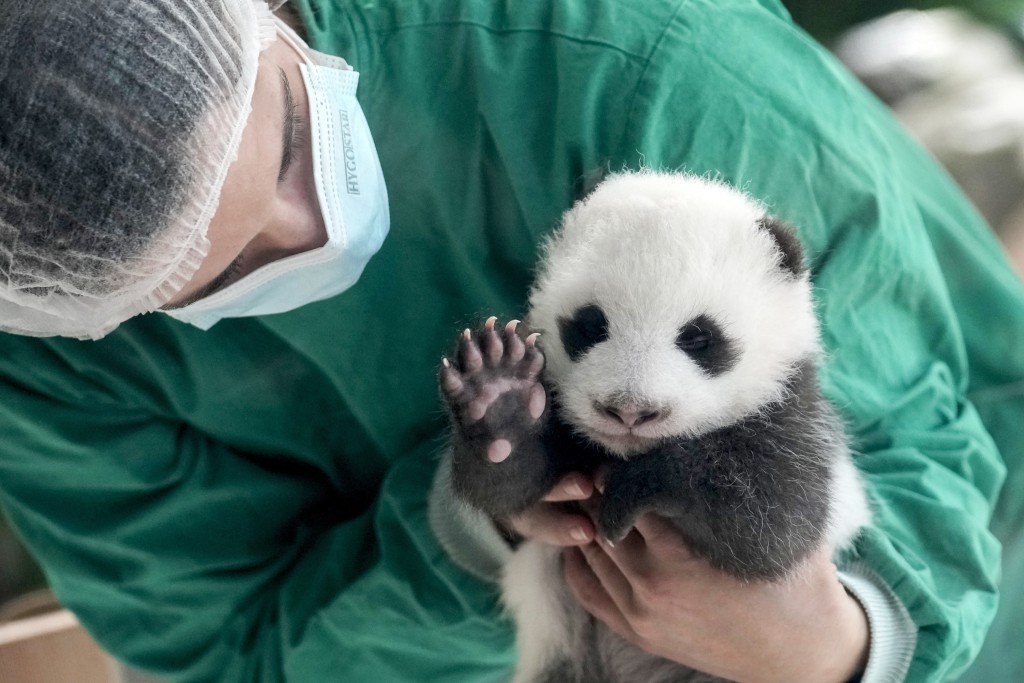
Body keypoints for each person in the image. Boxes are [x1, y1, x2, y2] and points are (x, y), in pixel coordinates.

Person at [0, 0, 1021, 681]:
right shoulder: (44, 366)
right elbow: (230, 658)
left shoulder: (625, 55)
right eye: (215, 277)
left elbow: (922, 432)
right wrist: (478, 525)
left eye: (293, 145)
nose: (307, 232)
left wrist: (839, 640)